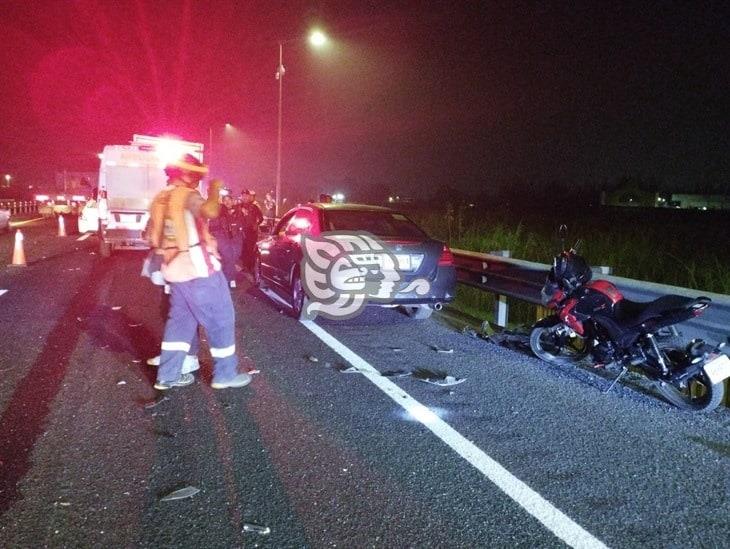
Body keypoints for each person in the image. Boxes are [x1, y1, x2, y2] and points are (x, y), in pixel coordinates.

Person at [148, 154, 251, 390]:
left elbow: (150, 235)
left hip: (174, 269)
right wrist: (215, 189)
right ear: (185, 174)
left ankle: (168, 375)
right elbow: (211, 211)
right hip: (198, 268)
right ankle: (225, 374)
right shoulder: (187, 195)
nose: (197, 181)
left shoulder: (160, 198)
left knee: (180, 323)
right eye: (195, 175)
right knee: (222, 320)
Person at [208, 192, 244, 288]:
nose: (227, 202)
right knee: (228, 256)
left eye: (229, 200)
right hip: (223, 238)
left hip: (237, 237)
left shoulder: (240, 210)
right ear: (222, 202)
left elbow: (246, 223)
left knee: (235, 255)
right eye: (225, 200)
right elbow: (212, 226)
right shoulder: (219, 211)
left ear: (233, 201)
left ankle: (226, 275)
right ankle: (230, 279)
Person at [238, 189, 263, 273]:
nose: (245, 197)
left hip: (251, 232)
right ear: (241, 197)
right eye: (243, 196)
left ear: (249, 197)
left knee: (250, 250)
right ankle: (245, 266)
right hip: (240, 232)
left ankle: (251, 268)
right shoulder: (238, 207)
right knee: (243, 250)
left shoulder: (254, 207)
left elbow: (261, 218)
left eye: (246, 196)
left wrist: (256, 224)